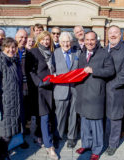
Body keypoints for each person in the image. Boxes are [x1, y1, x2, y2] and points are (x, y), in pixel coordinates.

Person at [75, 31, 115, 160]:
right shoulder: (82, 54)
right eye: (87, 40)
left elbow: (111, 71)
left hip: (96, 95)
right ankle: (86, 144)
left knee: (96, 124)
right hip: (83, 94)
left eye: (92, 40)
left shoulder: (104, 54)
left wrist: (94, 71)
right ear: (84, 40)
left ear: (96, 41)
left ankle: (97, 150)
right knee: (85, 122)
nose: (89, 42)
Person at [0, 37, 22, 160]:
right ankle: (0, 157)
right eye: (8, 47)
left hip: (13, 105)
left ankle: (3, 154)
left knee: (8, 134)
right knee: (5, 135)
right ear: (3, 48)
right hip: (3, 106)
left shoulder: (14, 61)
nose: (11, 49)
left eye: (13, 47)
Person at [27, 31, 59, 160]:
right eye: (43, 39)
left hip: (51, 89)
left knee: (49, 116)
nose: (46, 41)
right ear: (39, 40)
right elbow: (29, 71)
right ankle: (49, 146)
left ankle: (43, 137)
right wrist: (39, 83)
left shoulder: (51, 53)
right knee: (44, 117)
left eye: (48, 39)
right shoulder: (33, 52)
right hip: (40, 90)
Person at [105, 25, 124, 156]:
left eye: (115, 33)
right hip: (102, 91)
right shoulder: (104, 50)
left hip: (116, 90)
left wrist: (112, 85)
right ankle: (106, 140)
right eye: (110, 33)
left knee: (115, 118)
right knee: (105, 117)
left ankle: (113, 144)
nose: (112, 35)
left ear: (120, 35)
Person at [53, 32, 80, 148]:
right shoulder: (55, 53)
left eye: (68, 41)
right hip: (60, 89)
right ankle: (58, 137)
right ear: (59, 43)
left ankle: (71, 137)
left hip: (74, 89)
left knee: (73, 114)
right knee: (59, 115)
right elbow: (51, 69)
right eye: (63, 42)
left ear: (72, 42)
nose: (66, 44)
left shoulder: (77, 52)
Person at [14, 29, 31, 149]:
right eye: (21, 37)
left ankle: (21, 138)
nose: (23, 40)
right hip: (12, 89)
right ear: (15, 37)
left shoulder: (28, 53)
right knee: (13, 116)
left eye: (25, 37)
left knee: (23, 115)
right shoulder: (9, 51)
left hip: (25, 88)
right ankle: (11, 140)